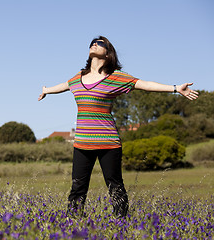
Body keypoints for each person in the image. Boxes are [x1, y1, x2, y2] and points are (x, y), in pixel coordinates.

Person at [38, 36, 199, 218]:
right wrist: (46, 90)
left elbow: (144, 85)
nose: (95, 44)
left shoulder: (115, 78)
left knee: (115, 186)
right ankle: (73, 222)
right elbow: (64, 86)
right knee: (77, 187)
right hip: (82, 144)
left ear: (108, 53)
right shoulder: (78, 78)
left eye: (100, 44)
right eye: (93, 42)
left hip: (108, 143)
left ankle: (121, 222)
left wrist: (176, 88)